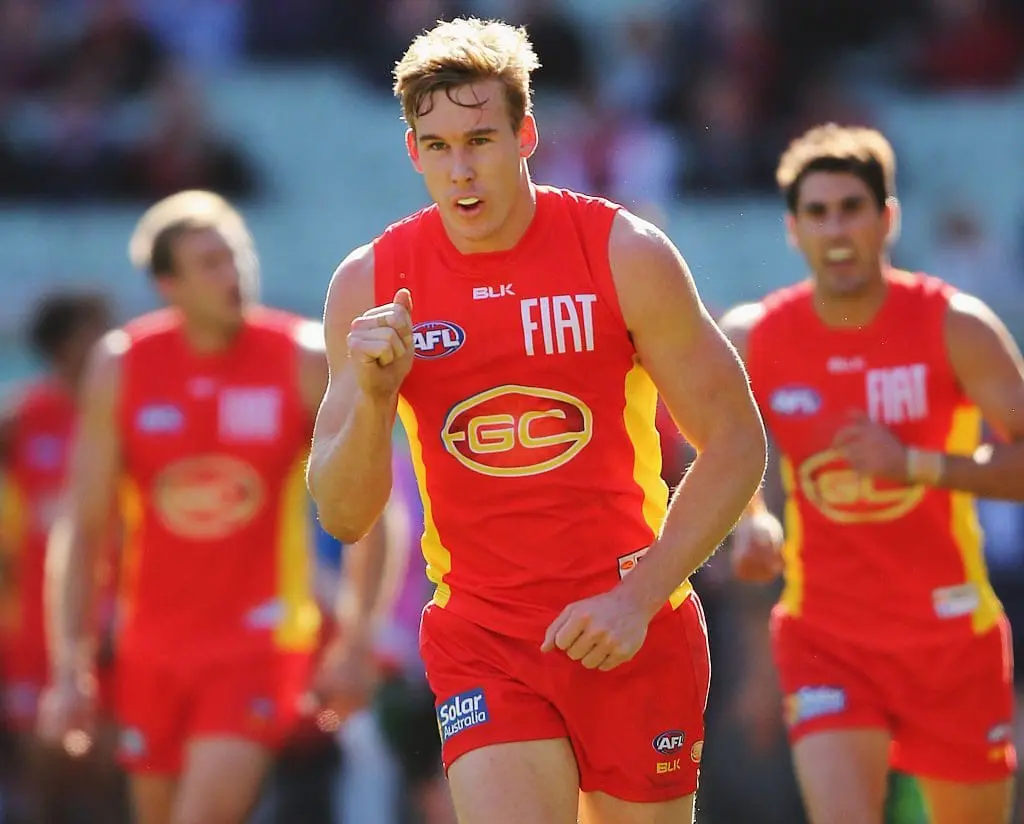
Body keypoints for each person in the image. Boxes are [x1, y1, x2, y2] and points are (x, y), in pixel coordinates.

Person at [307, 16, 767, 824]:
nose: (462, 169)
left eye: (481, 138)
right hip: (482, 636)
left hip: (629, 625)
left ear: (526, 134)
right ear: (413, 150)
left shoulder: (624, 252)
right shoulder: (371, 283)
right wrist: (378, 397)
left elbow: (736, 443)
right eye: (439, 145)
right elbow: (343, 514)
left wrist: (639, 598)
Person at [720, 123, 1024, 824]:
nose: (836, 228)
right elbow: (720, 444)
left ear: (887, 217)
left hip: (950, 637)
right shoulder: (756, 336)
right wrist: (751, 521)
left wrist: (915, 464)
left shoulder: (956, 325)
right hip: (825, 639)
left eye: (852, 208)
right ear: (792, 229)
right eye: (817, 212)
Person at [39, 190, 329, 824]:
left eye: (236, 256)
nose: (235, 274)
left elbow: (367, 498)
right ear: (168, 283)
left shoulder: (301, 357)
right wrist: (70, 665)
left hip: (260, 640)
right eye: (210, 263)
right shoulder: (123, 366)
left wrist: (358, 630)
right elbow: (84, 530)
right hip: (151, 650)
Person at [0, 291, 126, 824]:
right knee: (41, 771)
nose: (111, 342)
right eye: (94, 331)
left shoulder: (130, 416)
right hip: (34, 628)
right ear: (61, 346)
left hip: (119, 624)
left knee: (108, 776)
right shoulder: (20, 420)